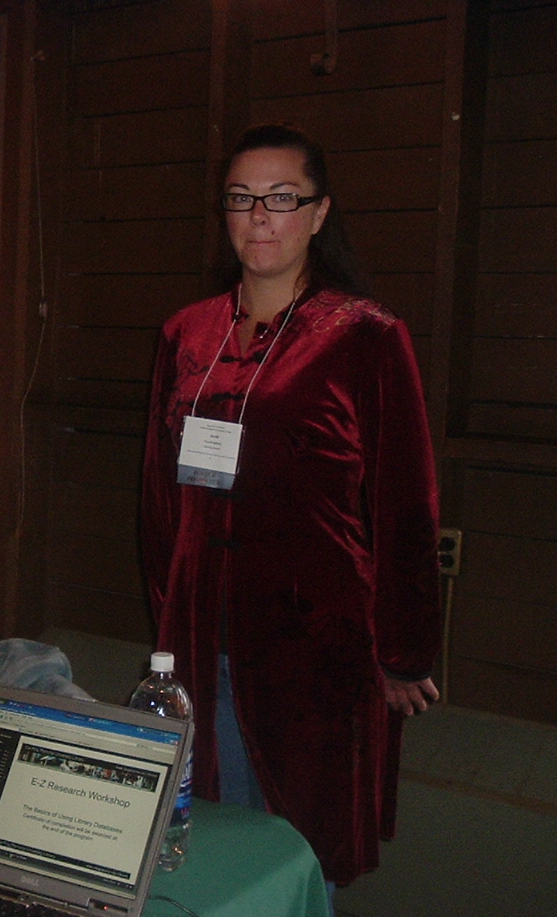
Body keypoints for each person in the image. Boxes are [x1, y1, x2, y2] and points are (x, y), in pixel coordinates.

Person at [139, 123, 442, 888]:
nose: (259, 216)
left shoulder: (364, 336)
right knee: (208, 834)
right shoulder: (186, 333)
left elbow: (406, 504)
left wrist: (404, 650)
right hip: (201, 632)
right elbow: (157, 495)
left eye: (281, 198)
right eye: (241, 198)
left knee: (297, 848)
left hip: (316, 638)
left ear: (318, 212)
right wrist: (168, 619)